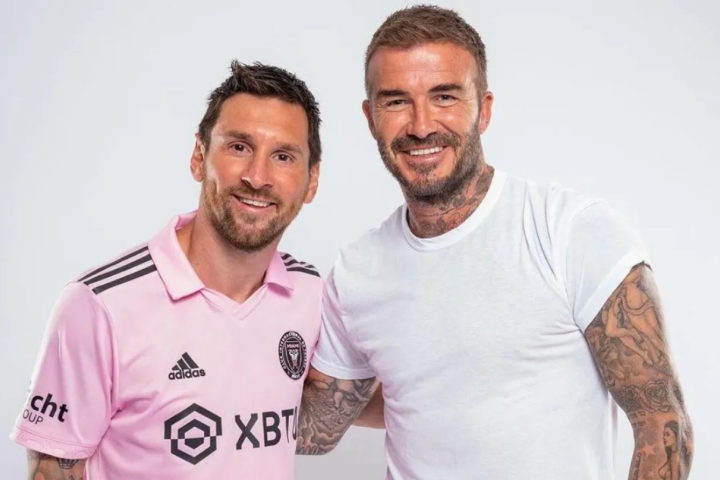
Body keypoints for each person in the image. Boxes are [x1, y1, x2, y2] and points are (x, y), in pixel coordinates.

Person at [296, 5, 694, 480]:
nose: (421, 125)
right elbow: (318, 430)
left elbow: (662, 423)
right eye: (396, 101)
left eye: (444, 97)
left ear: (483, 109)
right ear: (370, 118)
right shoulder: (357, 273)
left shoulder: (570, 231)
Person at [11, 60, 326, 479]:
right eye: (239, 147)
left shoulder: (311, 293)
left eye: (283, 156)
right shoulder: (99, 305)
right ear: (199, 157)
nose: (257, 176)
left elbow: (355, 404)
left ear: (311, 181)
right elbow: (52, 470)